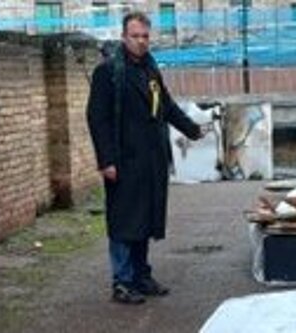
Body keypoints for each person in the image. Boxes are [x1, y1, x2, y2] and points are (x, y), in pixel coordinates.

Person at [87, 11, 204, 305]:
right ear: (124, 37)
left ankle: (141, 275)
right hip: (124, 160)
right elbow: (96, 118)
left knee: (144, 220)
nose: (141, 41)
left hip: (151, 160)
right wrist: (106, 161)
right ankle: (122, 282)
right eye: (135, 36)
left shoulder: (150, 68)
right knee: (124, 222)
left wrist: (191, 129)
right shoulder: (109, 71)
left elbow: (165, 105)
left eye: (145, 36)